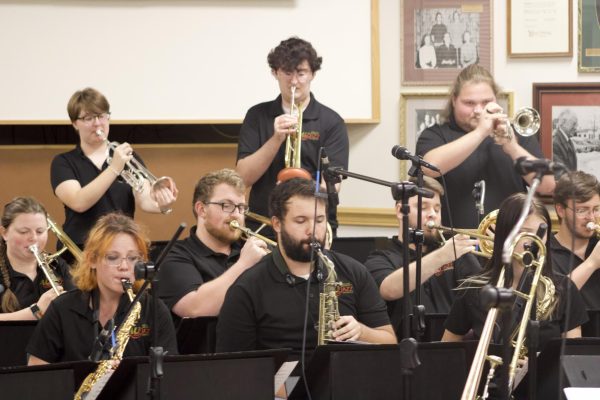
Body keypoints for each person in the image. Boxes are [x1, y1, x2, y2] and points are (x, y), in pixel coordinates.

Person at [216, 178, 396, 355]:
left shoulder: (354, 272)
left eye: (319, 220)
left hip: (345, 381)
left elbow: (390, 341)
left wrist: (362, 332)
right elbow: (233, 369)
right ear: (277, 224)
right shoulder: (247, 287)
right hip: (280, 384)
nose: (312, 230)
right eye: (301, 221)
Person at [416, 64, 555, 229]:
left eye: (486, 102)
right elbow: (429, 168)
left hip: (511, 242)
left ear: (495, 99)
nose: (478, 110)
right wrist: (481, 132)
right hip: (453, 244)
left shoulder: (516, 134)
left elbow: (547, 186)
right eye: (469, 103)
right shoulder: (435, 134)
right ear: (454, 100)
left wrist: (512, 146)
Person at [235, 37, 349, 238]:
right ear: (275, 73)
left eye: (301, 73)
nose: (294, 81)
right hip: (264, 223)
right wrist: (276, 139)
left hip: (312, 226)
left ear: (312, 74)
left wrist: (292, 191)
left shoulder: (332, 121)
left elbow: (332, 186)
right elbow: (243, 178)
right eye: (287, 72)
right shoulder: (256, 115)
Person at [26, 213, 178, 364]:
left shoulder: (154, 310)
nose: (124, 267)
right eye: (112, 257)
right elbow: (36, 374)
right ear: (92, 259)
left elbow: (170, 376)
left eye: (133, 258)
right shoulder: (61, 309)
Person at [442, 193, 587, 347]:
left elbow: (572, 356)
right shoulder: (473, 288)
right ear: (505, 235)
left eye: (540, 233)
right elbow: (447, 349)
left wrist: (536, 361)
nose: (534, 240)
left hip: (545, 371)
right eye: (523, 232)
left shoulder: (564, 288)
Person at [50, 88, 179, 259]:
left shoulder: (127, 158)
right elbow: (78, 202)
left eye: (102, 116)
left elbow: (144, 199)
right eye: (89, 118)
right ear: (75, 123)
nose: (97, 123)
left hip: (121, 248)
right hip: (80, 251)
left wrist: (162, 204)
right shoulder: (63, 162)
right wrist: (114, 168)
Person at [364, 177, 481, 332]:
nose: (433, 214)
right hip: (403, 350)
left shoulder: (454, 254)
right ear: (400, 211)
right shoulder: (381, 259)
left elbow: (481, 292)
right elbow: (388, 290)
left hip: (455, 348)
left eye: (437, 209)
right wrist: (442, 256)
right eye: (423, 207)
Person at [157, 169, 269, 323]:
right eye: (227, 205)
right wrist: (243, 264)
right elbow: (194, 308)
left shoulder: (251, 250)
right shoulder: (175, 256)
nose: (236, 214)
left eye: (241, 207)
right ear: (201, 209)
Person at [0, 197, 74, 321]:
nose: (33, 238)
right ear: (4, 233)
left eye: (40, 231)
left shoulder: (58, 266)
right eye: (24, 232)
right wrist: (35, 311)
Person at [551, 171, 600, 309]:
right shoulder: (544, 252)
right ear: (561, 210)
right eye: (582, 210)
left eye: (596, 209)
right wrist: (592, 263)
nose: (591, 217)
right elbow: (550, 303)